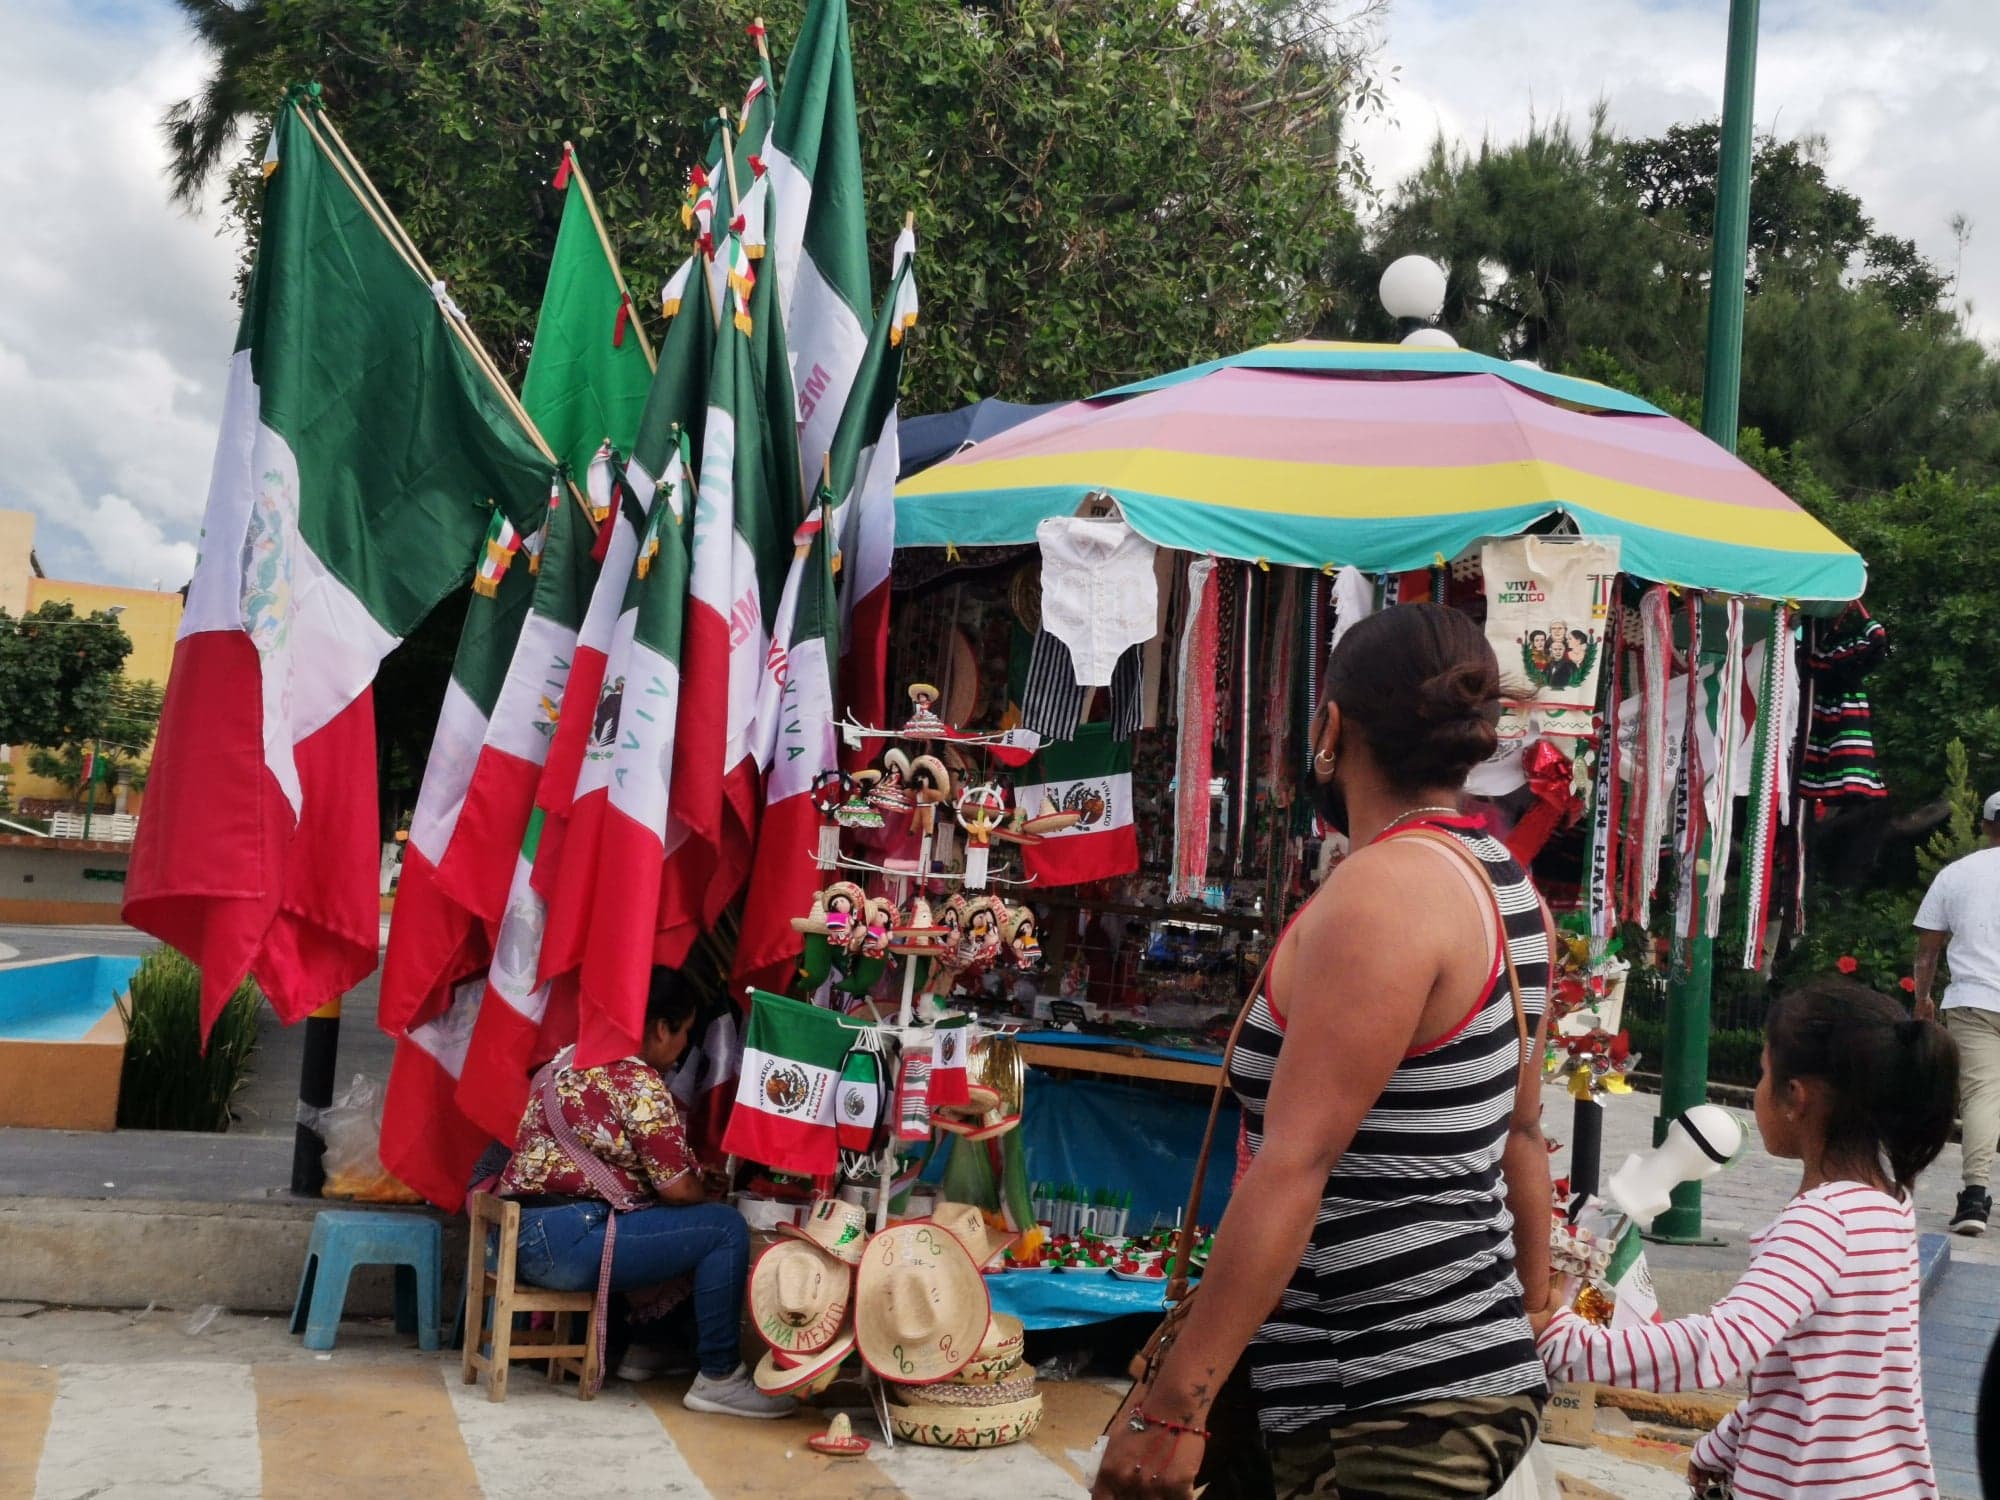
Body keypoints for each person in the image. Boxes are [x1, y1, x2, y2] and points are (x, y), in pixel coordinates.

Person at [1096, 603, 1555, 1500]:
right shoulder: (1507, 887)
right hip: (1446, 1371)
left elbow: (1293, 1165)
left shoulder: (1384, 892)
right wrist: (1529, 1313)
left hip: (1386, 1388)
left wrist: (1174, 1408)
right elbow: (1524, 1137)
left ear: (1332, 726)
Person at [1535, 977, 1957, 1499]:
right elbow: (1822, 1370)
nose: (1758, 1090)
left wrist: (1569, 1343)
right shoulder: (1888, 1206)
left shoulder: (1820, 1224)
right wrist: (1728, 1441)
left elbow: (1721, 1345)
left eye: (1763, 1075)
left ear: (1795, 1098)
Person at [498, 969, 791, 1419]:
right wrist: (699, 1188)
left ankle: (649, 1349)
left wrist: (686, 1180)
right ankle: (718, 1377)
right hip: (569, 1244)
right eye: (685, 1033)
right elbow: (676, 1191)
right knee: (722, 1229)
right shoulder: (638, 1081)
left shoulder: (564, 1063)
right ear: (660, 1027)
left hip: (519, 1239)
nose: (681, 1048)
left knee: (665, 1221)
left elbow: (612, 1165)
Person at [1913, 790, 2000, 1234]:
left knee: (1982, 1095)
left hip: (1975, 999)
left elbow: (1927, 951)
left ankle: (1975, 1198)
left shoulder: (1957, 874)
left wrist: (1922, 998)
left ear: (1986, 826)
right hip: (1978, 998)